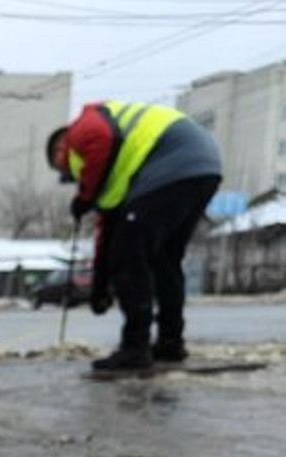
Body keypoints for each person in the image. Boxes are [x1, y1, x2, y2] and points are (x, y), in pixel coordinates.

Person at [46, 100, 222, 373]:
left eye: (67, 170)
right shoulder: (123, 168)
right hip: (204, 167)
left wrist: (85, 195)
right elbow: (109, 230)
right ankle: (170, 343)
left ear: (61, 148)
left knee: (130, 258)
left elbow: (100, 138)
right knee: (165, 260)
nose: (73, 176)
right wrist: (100, 285)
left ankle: (135, 349)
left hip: (173, 165)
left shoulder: (82, 127)